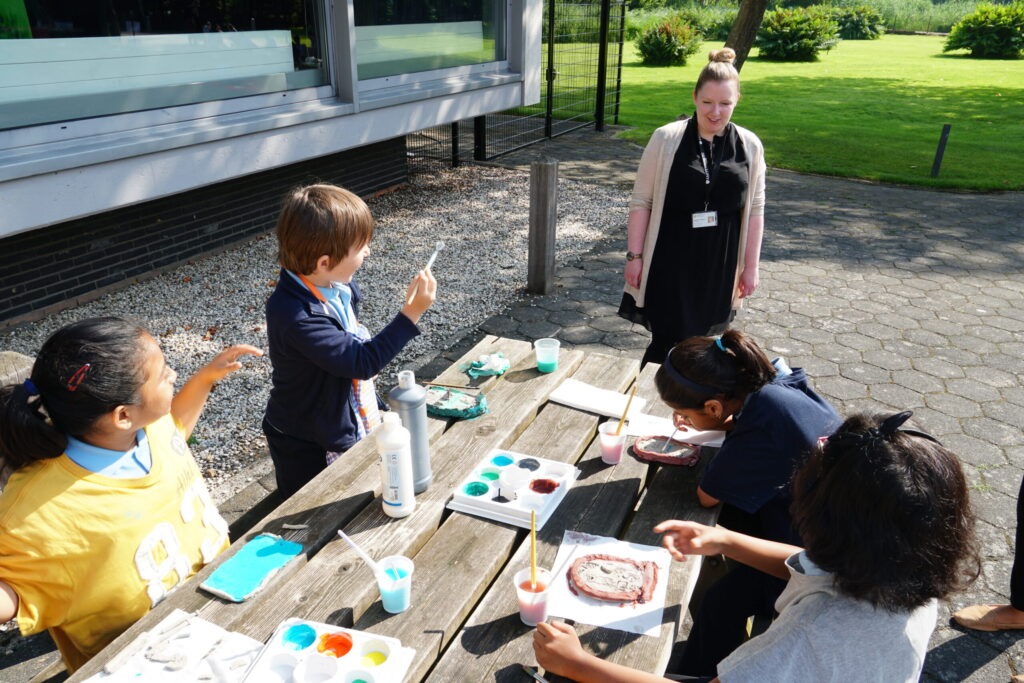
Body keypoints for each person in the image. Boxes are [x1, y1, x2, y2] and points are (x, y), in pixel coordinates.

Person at [533, 411, 982, 683]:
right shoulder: (907, 572)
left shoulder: (811, 636)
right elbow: (807, 568)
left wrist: (579, 664)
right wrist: (725, 539)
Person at [0, 317, 262, 673]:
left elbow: (175, 437)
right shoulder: (36, 509)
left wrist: (203, 380)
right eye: (162, 372)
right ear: (122, 415)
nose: (172, 374)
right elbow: (14, 591)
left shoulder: (146, 429)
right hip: (143, 663)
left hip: (229, 600)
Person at [654, 329, 840, 674]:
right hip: (830, 528)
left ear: (714, 405)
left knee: (720, 603)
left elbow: (706, 497)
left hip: (820, 567)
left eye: (687, 415)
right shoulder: (772, 386)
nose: (685, 423)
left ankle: (698, 673)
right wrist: (715, 422)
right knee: (722, 593)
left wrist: (715, 425)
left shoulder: (761, 425)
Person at [263, 183, 437, 498]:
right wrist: (411, 313)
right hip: (304, 438)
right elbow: (361, 361)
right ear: (323, 263)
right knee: (309, 508)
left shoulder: (335, 284)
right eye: (361, 246)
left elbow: (350, 344)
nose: (368, 251)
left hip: (332, 415)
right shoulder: (296, 315)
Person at [618, 48, 766, 367]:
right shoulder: (665, 139)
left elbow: (755, 210)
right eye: (707, 102)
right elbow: (642, 201)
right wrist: (635, 256)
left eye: (725, 103)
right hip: (670, 259)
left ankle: (687, 408)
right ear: (694, 97)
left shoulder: (750, 146)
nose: (715, 112)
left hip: (720, 263)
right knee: (667, 341)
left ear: (737, 100)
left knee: (703, 345)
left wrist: (750, 267)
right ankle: (642, 402)